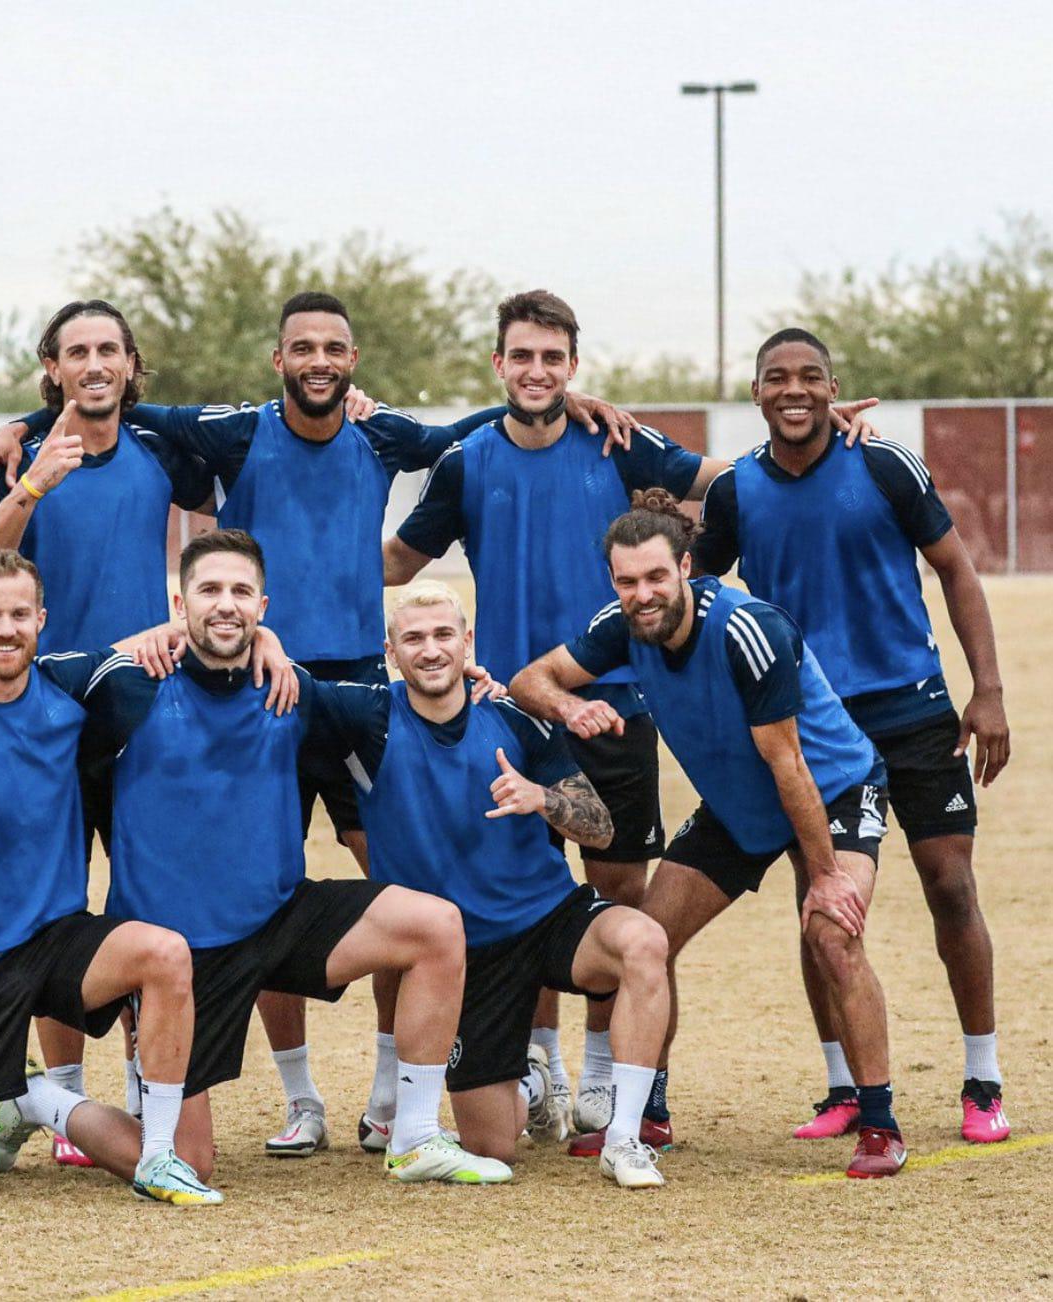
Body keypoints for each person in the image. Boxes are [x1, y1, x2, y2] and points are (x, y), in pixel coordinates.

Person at [0, 289, 640, 1155]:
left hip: (334, 692)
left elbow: (462, 435)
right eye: (302, 347)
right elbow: (88, 411)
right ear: (277, 360)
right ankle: (129, 1097)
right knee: (102, 892)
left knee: (399, 885)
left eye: (335, 347)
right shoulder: (215, 434)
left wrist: (561, 400)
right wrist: (21, 431)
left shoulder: (351, 439)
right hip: (149, 694)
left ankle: (390, 1097)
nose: (319, 360)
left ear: (352, 362)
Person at [385, 290, 880, 1148]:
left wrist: (825, 436)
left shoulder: (617, 442)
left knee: (620, 900)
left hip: (620, 715)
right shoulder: (466, 459)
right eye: (521, 357)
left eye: (553, 358)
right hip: (513, 713)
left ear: (573, 367)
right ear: (498, 365)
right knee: (524, 894)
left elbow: (730, 482)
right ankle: (539, 1065)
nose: (537, 372)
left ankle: (616, 1086)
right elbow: (398, 558)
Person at [0, 299, 293, 1166]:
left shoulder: (157, 449)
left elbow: (231, 533)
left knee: (147, 898)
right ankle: (62, 1101)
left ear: (132, 366)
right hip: (44, 717)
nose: (96, 364)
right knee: (55, 906)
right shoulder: (24, 461)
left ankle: (154, 1084)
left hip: (145, 711)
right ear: (54, 367)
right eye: (79, 352)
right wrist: (34, 473)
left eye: (110, 350)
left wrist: (263, 626)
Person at [80, 530, 513, 1185]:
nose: (225, 605)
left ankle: (417, 1136)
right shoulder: (129, 684)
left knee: (435, 925)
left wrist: (468, 681)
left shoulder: (291, 687)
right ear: (179, 603)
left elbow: (398, 707)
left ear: (263, 605)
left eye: (240, 593)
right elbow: (21, 683)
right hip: (181, 956)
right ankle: (39, 1103)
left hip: (279, 919)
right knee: (185, 1161)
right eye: (209, 591)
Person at [511, 491, 908, 1178]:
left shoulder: (748, 631)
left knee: (832, 934)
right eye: (628, 581)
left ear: (687, 568)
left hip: (831, 787)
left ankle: (880, 1122)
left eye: (656, 577)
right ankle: (646, 1115)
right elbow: (529, 679)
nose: (643, 594)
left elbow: (789, 765)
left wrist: (825, 878)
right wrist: (571, 706)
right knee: (648, 940)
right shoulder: (620, 627)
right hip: (738, 805)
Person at [694, 328, 1012, 1144]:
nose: (793, 390)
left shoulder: (883, 464)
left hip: (912, 712)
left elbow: (956, 569)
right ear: (756, 394)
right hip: (817, 731)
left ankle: (983, 1077)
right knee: (820, 901)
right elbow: (689, 588)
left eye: (810, 377)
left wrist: (988, 692)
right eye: (777, 378)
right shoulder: (737, 492)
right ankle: (842, 1085)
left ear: (835, 387)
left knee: (950, 886)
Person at [0, 549, 221, 1204]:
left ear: (42, 620)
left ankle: (143, 1146)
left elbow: (187, 629)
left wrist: (276, 640)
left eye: (20, 615)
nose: (6, 629)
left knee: (165, 954)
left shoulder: (69, 686)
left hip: (56, 940)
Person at [306, 580, 672, 1188]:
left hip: (549, 916)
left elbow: (602, 830)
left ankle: (626, 1138)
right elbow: (281, 685)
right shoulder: (367, 717)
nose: (431, 650)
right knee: (494, 1144)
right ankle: (524, 1077)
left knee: (644, 941)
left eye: (445, 635)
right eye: (414, 638)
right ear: (390, 651)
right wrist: (263, 637)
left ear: (467, 641)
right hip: (467, 958)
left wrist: (543, 798)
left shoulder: (513, 718)